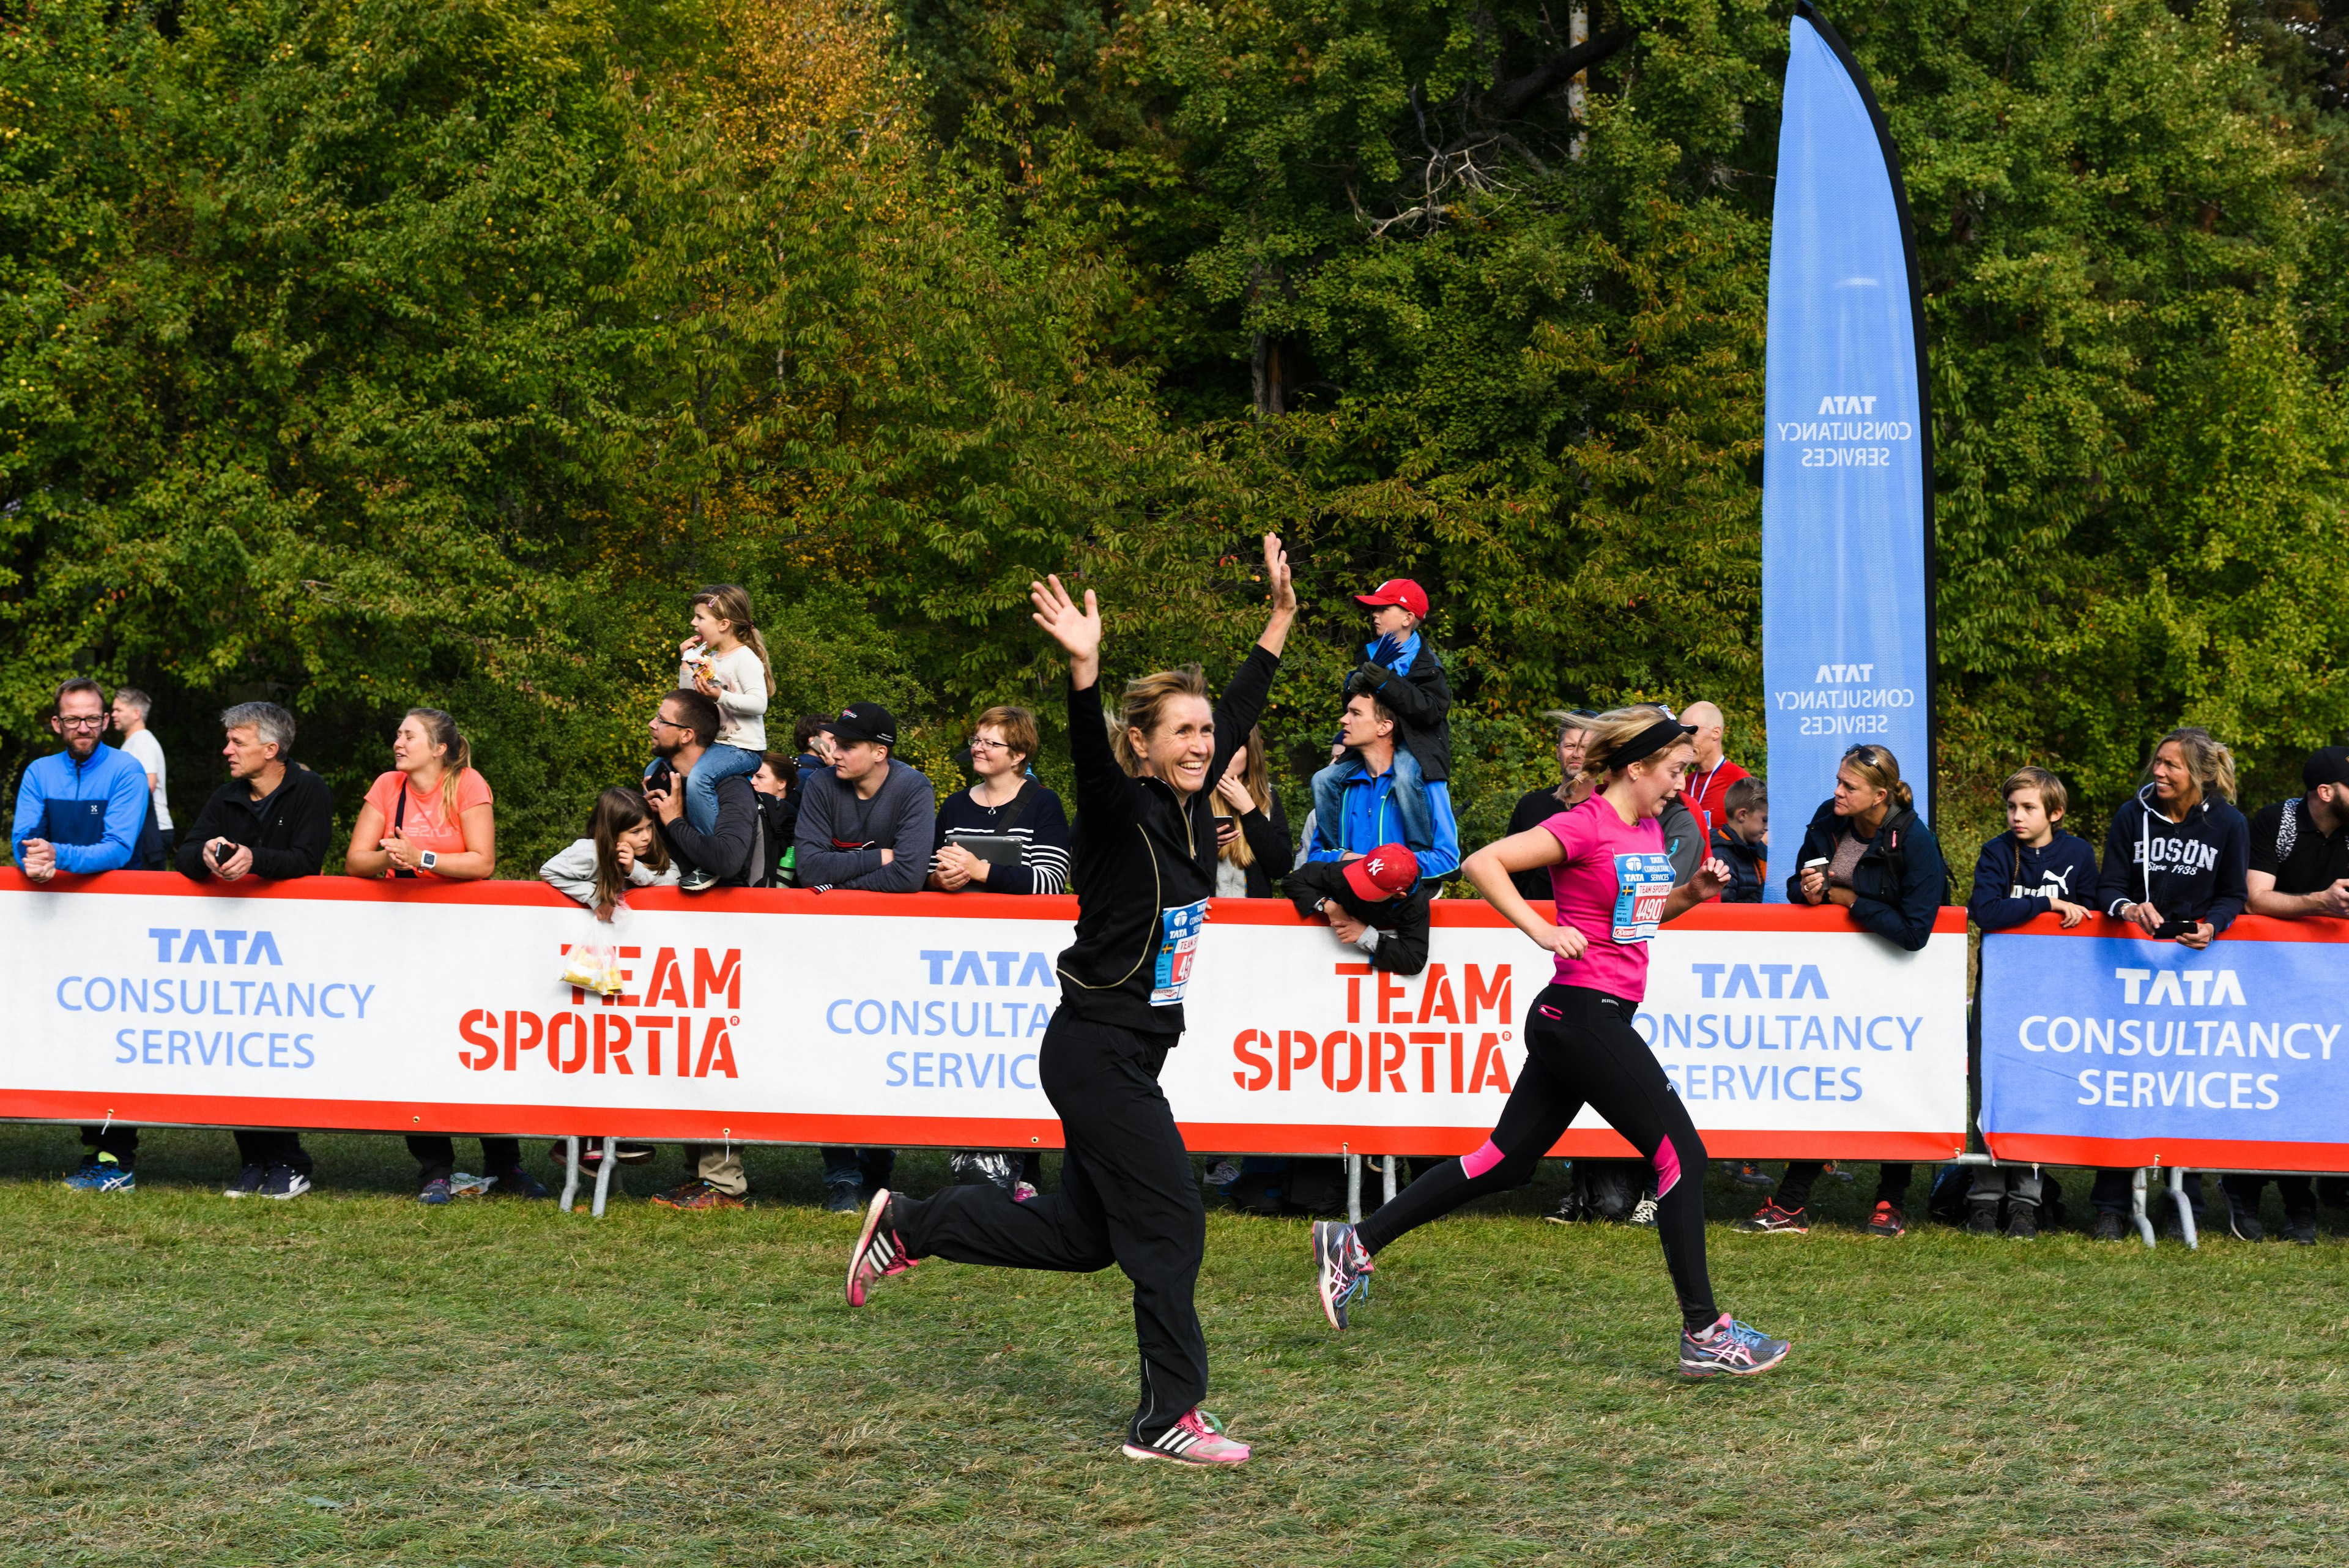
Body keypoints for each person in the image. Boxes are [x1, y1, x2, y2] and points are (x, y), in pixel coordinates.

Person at [845, 535, 1297, 1468]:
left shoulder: (1192, 803)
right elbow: (1089, 754)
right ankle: (1167, 1415)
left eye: (1209, 734)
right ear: (1143, 742)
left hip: (1127, 1052)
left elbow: (1244, 704)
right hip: (1095, 1048)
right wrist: (1084, 674)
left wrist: (1282, 618)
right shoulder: (1120, 806)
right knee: (1173, 1218)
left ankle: (911, 1223)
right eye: (1182, 731)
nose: (1203, 743)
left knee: (1084, 1235)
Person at [1306, 705, 1791, 1380]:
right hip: (1580, 1012)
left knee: (1503, 1162)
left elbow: (1634, 919)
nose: (1681, 785)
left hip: (1592, 1016)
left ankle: (1354, 1242)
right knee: (1683, 1156)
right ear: (1635, 767)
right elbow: (1484, 862)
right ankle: (1705, 1331)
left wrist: (1690, 896)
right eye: (1674, 771)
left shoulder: (1648, 828)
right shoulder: (1584, 824)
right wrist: (1539, 929)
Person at [1739, 743, 1946, 1238]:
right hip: (1835, 979)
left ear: (1879, 795)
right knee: (1825, 1083)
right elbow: (1799, 882)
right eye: (1837, 780)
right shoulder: (1826, 819)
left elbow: (1916, 930)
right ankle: (1790, 1204)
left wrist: (1849, 899)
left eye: (1848, 786)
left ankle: (1890, 1203)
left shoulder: (1916, 841)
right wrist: (1806, 890)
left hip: (1897, 981)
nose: (1837, 792)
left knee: (1894, 1087)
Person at [344, 708, 542, 1203]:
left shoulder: (468, 782)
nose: (398, 741)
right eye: (397, 733)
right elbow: (355, 861)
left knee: (481, 1048)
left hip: (464, 937)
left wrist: (423, 858)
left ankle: (506, 1164)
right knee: (416, 1047)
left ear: (438, 748)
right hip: (403, 936)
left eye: (409, 735)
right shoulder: (388, 786)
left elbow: (483, 860)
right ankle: (434, 1169)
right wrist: (393, 858)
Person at [2089, 727, 2248, 1240]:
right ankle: (2111, 1202)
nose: (2158, 772)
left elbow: (2232, 894)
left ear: (2200, 774)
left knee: (2186, 1079)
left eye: (2171, 765)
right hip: (2129, 966)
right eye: (2157, 763)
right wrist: (2129, 908)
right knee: (2125, 1078)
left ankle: (2187, 1196)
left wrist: (2213, 925)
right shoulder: (2130, 816)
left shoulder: (2229, 823)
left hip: (2194, 972)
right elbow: (2107, 885)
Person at [176, 702, 336, 1199]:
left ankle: (290, 1162)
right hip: (234, 949)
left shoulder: (311, 790)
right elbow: (184, 852)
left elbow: (308, 860)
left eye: (237, 742)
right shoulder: (226, 795)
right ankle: (253, 1161)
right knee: (237, 1052)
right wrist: (204, 857)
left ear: (272, 749)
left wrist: (255, 860)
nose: (226, 750)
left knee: (276, 1054)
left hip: (291, 944)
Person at [15, 679, 154, 1192]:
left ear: (106, 720)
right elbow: (23, 837)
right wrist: (35, 861)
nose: (83, 728)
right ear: (57, 723)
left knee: (110, 1039)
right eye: (73, 719)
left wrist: (58, 856)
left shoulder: (125, 770)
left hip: (113, 921)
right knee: (62, 1030)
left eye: (93, 718)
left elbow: (118, 848)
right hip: (52, 919)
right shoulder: (38, 771)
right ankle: (93, 1149)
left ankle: (116, 1157)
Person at [929, 705, 1072, 1198]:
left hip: (1022, 963)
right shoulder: (952, 805)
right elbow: (930, 871)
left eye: (992, 742)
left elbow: (1052, 882)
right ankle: (974, 1161)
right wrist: (940, 878)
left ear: (1020, 755)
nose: (978, 747)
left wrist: (980, 871)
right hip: (960, 959)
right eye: (977, 737)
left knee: (1022, 1060)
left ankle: (1025, 1168)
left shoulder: (1043, 804)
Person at [798, 701, 936, 1209]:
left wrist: (840, 880)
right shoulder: (818, 784)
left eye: (848, 744)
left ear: (881, 752)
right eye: (834, 740)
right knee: (826, 1051)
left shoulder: (914, 786)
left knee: (880, 1053)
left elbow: (911, 875)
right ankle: (840, 1175)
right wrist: (877, 856)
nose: (834, 750)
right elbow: (809, 868)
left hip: (888, 947)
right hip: (829, 945)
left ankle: (878, 1167)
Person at [1961, 766, 2099, 1238]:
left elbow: (2094, 916)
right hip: (1999, 992)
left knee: (2039, 1094)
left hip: (2054, 996)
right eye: (2011, 807)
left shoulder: (2078, 854)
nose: (2016, 816)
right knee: (1989, 1093)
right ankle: (1983, 1197)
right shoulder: (1997, 851)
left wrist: (2066, 907)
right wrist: (2048, 904)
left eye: (2028, 808)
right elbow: (1986, 910)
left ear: (2054, 813)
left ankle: (2026, 1199)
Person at [2224, 747, 2345, 1243]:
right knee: (2258, 1079)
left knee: (2312, 1083)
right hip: (2265, 975)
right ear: (2326, 793)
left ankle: (2301, 1198)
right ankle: (2242, 1190)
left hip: (2331, 983)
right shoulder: (2279, 820)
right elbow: (2256, 895)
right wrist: (2320, 902)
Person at [540, 786, 676, 1181]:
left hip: (643, 969)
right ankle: (583, 1141)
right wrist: (595, 897)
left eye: (648, 828)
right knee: (596, 1048)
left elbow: (674, 881)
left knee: (628, 1050)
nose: (646, 837)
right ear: (612, 833)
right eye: (636, 832)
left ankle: (613, 1133)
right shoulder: (587, 850)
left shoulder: (651, 854)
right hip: (598, 966)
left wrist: (636, 869)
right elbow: (550, 870)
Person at [1311, 578, 1453, 871]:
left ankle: (1417, 852)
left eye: (1382, 609)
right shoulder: (1370, 653)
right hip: (1373, 746)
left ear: (1408, 618)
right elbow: (1358, 706)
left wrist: (1387, 682)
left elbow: (1431, 711)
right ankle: (1334, 850)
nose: (1374, 615)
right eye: (1372, 610)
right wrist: (1354, 682)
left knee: (1404, 777)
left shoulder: (1429, 664)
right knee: (1323, 779)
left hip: (1415, 749)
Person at [672, 585, 773, 891]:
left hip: (744, 748)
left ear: (724, 624)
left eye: (699, 617)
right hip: (720, 745)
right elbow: (689, 700)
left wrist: (722, 695)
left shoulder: (745, 658)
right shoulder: (711, 656)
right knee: (662, 768)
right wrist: (687, 663)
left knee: (700, 777)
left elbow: (760, 704)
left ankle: (714, 857)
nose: (694, 624)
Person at [1305, 691, 1461, 879]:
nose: (1343, 720)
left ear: (1384, 727)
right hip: (1348, 905)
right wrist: (1348, 857)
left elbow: (1448, 861)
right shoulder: (1339, 787)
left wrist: (1380, 867)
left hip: (1406, 904)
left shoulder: (1426, 784)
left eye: (1356, 713)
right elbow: (1314, 858)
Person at [1284, 843, 1429, 975]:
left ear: (1398, 895)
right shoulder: (1348, 872)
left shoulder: (1416, 903)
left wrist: (1365, 935)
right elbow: (1293, 880)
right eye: (1363, 877)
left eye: (1370, 888)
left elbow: (1414, 960)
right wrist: (1328, 906)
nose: (1358, 884)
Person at [1506, 712, 1597, 903]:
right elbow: (1508, 872)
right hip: (1531, 920)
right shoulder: (1530, 805)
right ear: (1558, 751)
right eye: (1570, 746)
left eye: (1585, 748)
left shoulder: (1609, 808)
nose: (1576, 754)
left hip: (1588, 921)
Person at [1208, 726, 1292, 899]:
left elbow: (1280, 868)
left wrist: (1250, 811)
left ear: (1251, 753)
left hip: (1251, 918)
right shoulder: (1194, 798)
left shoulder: (1268, 797)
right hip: (1207, 917)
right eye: (1220, 745)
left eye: (1235, 747)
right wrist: (1205, 847)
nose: (1225, 754)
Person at [111, 686, 173, 868]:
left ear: (136, 713)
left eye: (119, 710)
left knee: (147, 893)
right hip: (146, 829)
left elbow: (148, 786)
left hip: (152, 830)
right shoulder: (134, 742)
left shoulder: (142, 742)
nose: (113, 714)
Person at [1677, 700, 1750, 843]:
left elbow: (1761, 837)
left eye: (1692, 734)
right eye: (1683, 735)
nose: (1686, 742)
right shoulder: (1681, 783)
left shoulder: (1741, 782)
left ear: (1716, 733)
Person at [1712, 776, 1769, 904]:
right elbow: (1725, 915)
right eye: (1765, 820)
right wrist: (1769, 890)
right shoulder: (1720, 858)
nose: (1767, 828)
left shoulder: (1758, 848)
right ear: (1742, 815)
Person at [751, 752, 798, 888]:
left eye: (760, 777)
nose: (753, 782)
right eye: (751, 776)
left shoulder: (798, 820)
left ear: (781, 783)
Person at [792, 714, 837, 793]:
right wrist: (835, 768)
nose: (836, 743)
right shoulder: (807, 774)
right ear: (813, 741)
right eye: (832, 739)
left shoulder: (820, 768)